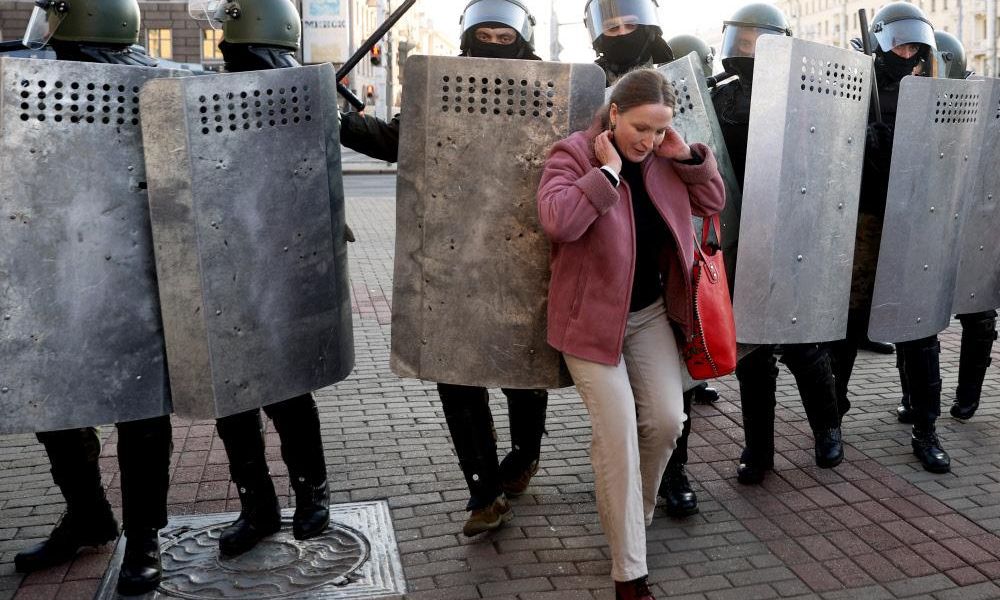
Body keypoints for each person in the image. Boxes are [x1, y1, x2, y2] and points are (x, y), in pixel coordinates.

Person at [342, 0, 549, 537]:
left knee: (522, 373)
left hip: (525, 256)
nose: (494, 44)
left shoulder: (550, 87)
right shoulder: (442, 85)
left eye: (505, 37)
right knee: (455, 373)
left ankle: (525, 456)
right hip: (452, 255)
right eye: (484, 34)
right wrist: (344, 123)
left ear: (522, 38)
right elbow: (396, 141)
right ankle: (482, 492)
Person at [538, 68, 725, 600]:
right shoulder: (574, 154)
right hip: (590, 326)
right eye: (641, 127)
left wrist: (687, 157)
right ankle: (629, 572)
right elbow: (558, 222)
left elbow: (713, 203)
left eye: (660, 129)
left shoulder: (664, 157)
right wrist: (609, 173)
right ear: (614, 114)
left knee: (668, 420)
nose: (649, 140)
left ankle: (632, 517)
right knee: (616, 437)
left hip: (645, 318)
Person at [11, 0, 172, 595]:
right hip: (57, 274)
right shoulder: (29, 82)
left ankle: (144, 538)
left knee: (142, 414)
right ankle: (87, 513)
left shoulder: (157, 85)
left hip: (138, 279)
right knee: (52, 404)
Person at [185, 0, 333, 557]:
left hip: (280, 263)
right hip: (219, 262)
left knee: (289, 391)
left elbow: (319, 174)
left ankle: (312, 493)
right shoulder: (204, 97)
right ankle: (257, 505)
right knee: (233, 399)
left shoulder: (299, 96)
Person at [711, 3, 845, 485]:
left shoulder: (801, 90)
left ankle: (828, 429)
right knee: (752, 351)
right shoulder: (719, 95)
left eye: (756, 41)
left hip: (789, 226)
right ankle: (758, 450)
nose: (746, 51)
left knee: (803, 341)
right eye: (741, 41)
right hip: (738, 230)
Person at [830, 2, 949, 473]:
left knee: (919, 331)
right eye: (900, 42)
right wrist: (862, 144)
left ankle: (926, 426)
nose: (908, 51)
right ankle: (831, 419)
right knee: (849, 326)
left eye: (914, 44)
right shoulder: (852, 88)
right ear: (879, 41)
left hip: (912, 221)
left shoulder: (931, 93)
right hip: (862, 222)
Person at [893, 30, 996, 424]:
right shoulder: (914, 99)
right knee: (914, 317)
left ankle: (967, 395)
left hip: (972, 218)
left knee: (979, 314)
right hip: (927, 220)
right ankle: (913, 399)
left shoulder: (983, 99)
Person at [584, 0, 673, 85]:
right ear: (600, 40)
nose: (622, 32)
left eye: (631, 25)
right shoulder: (592, 84)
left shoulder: (674, 71)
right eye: (612, 28)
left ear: (647, 30)